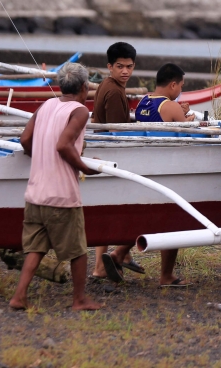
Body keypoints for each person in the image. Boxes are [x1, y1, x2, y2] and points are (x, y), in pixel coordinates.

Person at [9, 62, 102, 312]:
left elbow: (25, 139)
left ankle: (20, 296)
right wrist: (84, 167)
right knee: (78, 250)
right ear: (84, 87)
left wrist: (38, 155)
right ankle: (79, 299)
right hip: (61, 194)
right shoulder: (80, 111)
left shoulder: (46, 105)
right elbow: (63, 145)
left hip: (35, 192)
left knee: (36, 247)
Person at [101, 62, 191, 287]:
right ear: (173, 85)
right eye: (180, 86)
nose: (180, 90)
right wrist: (185, 117)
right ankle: (167, 275)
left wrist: (181, 112)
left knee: (148, 218)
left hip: (146, 166)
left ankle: (119, 254)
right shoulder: (171, 106)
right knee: (171, 221)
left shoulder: (144, 102)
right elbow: (189, 132)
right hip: (167, 166)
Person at [90, 42, 147, 280]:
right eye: (120, 66)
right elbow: (117, 133)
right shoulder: (114, 91)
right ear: (109, 67)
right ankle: (105, 265)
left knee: (110, 211)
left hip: (104, 152)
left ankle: (118, 258)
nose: (125, 71)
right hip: (112, 154)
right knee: (124, 210)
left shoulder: (109, 84)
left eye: (129, 67)